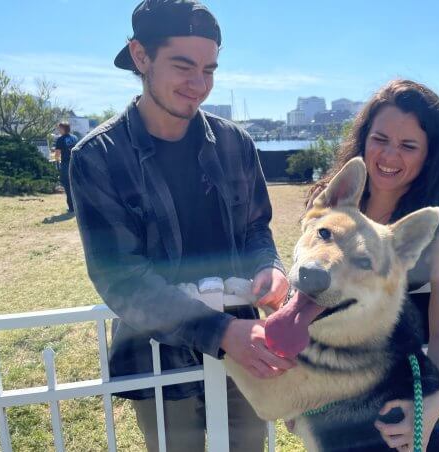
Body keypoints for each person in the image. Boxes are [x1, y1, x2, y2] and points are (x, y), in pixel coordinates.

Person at [69, 1, 295, 451]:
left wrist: (270, 267)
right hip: (158, 353)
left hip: (245, 346)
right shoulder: (97, 156)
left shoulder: (236, 143)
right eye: (183, 66)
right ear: (140, 56)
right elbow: (122, 279)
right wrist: (220, 332)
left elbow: (256, 229)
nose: (199, 85)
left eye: (209, 70)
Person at [308, 79, 439, 451]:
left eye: (408, 146)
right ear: (363, 139)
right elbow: (308, 297)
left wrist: (429, 409)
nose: (389, 156)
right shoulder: (332, 201)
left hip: (397, 406)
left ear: (430, 155)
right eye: (380, 139)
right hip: (328, 399)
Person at [53, 121, 77, 212]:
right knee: (76, 185)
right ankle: (79, 205)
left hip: (66, 164)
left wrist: (56, 161)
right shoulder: (75, 138)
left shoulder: (60, 139)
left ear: (63, 128)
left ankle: (72, 207)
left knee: (67, 185)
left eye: (59, 128)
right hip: (75, 164)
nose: (59, 130)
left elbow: (57, 154)